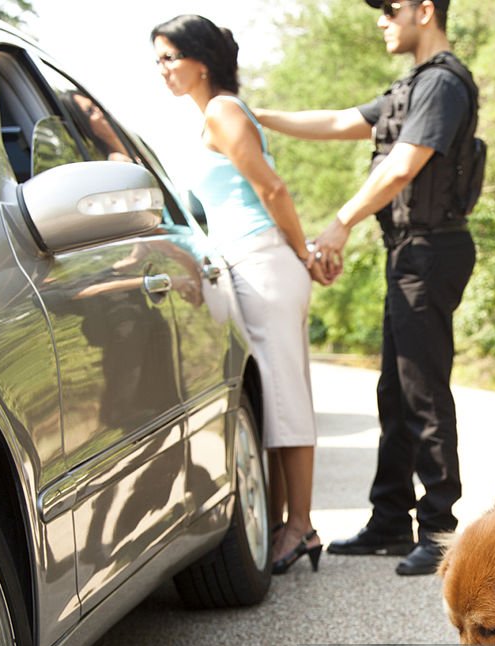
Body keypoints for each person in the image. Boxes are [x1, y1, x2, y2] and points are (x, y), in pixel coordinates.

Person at [256, 0, 480, 575]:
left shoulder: (444, 84)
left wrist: (341, 222)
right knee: (395, 391)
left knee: (423, 391)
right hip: (409, 250)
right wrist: (252, 116)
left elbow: (404, 165)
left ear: (425, 10)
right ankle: (389, 521)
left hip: (431, 250)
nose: (382, 18)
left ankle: (439, 531)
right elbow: (335, 122)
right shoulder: (412, 87)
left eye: (390, 8)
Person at [151, 14, 331, 575]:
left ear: (200, 61)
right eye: (158, 61)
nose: (162, 71)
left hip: (265, 262)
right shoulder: (214, 116)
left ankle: (301, 526)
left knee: (285, 399)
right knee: (271, 397)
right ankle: (283, 521)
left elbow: (270, 187)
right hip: (249, 264)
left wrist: (302, 251)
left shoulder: (224, 112)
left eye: (169, 58)